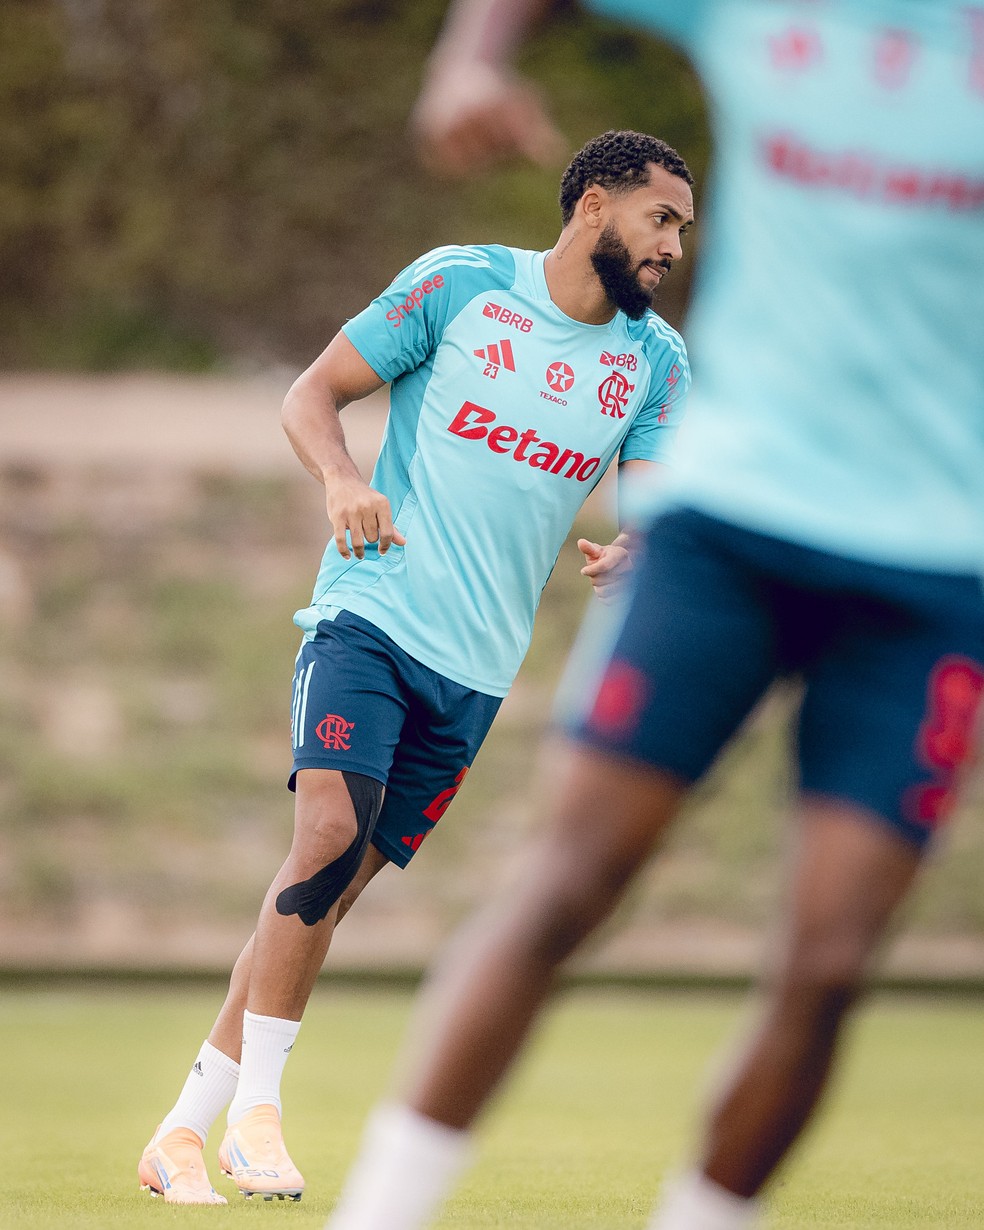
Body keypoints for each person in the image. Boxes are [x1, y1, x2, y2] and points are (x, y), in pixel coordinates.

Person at [323, 2, 984, 1228]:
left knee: (830, 962)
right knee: (569, 884)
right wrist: (471, 59)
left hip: (935, 571)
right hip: (732, 529)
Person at [136, 127, 696, 1204]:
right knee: (326, 839)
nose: (671, 243)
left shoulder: (655, 361)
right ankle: (259, 1117)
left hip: (477, 673)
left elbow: (656, 501)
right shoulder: (462, 284)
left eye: (679, 227)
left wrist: (641, 547)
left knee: (320, 900)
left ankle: (178, 1135)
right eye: (658, 216)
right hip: (368, 615)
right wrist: (343, 482)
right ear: (593, 205)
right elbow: (311, 394)